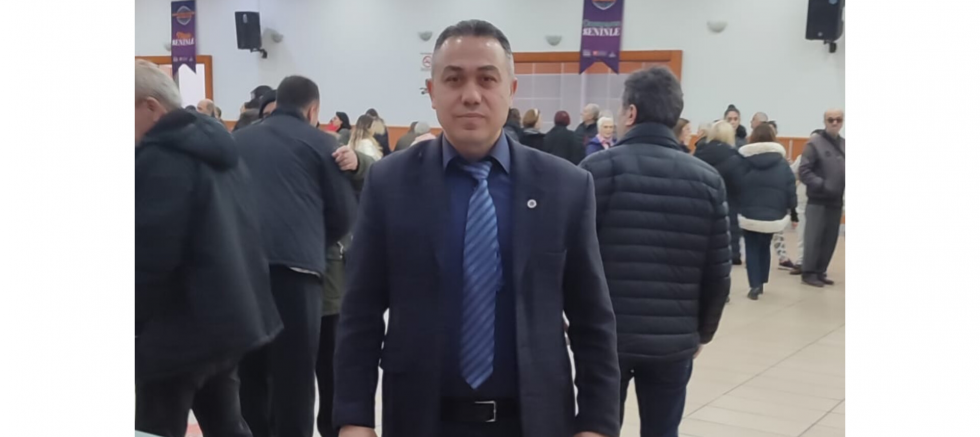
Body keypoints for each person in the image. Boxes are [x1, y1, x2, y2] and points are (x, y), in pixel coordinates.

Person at [333, 19, 620, 437]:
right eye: (454, 79)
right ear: (432, 92)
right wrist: (354, 418)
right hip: (420, 420)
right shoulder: (390, 183)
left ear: (511, 90)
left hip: (534, 422)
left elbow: (592, 318)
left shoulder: (566, 187)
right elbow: (360, 311)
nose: (471, 95)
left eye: (487, 79)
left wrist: (597, 424)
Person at [579, 66, 731, 437]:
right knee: (663, 430)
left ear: (631, 112)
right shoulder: (708, 181)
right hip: (673, 340)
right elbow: (718, 273)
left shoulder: (594, 171)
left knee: (597, 427)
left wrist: (570, 321)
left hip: (605, 339)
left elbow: (571, 258)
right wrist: (702, 333)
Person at [135, 60, 282, 437]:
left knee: (155, 427)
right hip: (228, 320)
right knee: (226, 423)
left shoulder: (161, 158)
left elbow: (150, 257)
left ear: (151, 107)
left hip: (177, 329)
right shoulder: (218, 149)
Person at [234, 75, 357, 437]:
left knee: (249, 374)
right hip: (298, 274)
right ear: (313, 109)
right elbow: (343, 215)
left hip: (242, 271)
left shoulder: (237, 140)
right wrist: (310, 241)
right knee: (295, 379)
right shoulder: (323, 143)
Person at [316, 141, 377, 437]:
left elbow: (373, 175)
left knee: (331, 372)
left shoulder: (328, 151)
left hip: (330, 285)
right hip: (289, 287)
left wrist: (357, 163)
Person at [736, 123, 797, 300]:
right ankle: (762, 280)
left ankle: (754, 285)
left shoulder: (744, 162)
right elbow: (790, 188)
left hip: (749, 212)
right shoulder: (782, 164)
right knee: (764, 245)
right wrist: (793, 212)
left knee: (752, 247)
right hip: (773, 213)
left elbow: (737, 185)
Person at [799, 110, 845, 287]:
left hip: (836, 200)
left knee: (829, 239)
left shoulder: (844, 145)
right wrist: (821, 184)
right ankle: (808, 272)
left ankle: (820, 271)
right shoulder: (814, 144)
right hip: (818, 200)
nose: (834, 123)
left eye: (838, 119)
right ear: (825, 121)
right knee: (814, 238)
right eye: (830, 119)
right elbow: (804, 171)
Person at [694, 121, 748, 267]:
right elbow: (740, 185)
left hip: (701, 205)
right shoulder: (735, 158)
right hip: (728, 205)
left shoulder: (698, 154)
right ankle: (733, 254)